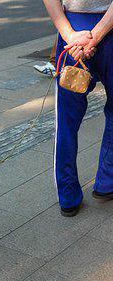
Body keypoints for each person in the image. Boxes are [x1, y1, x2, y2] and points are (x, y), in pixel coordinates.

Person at [43, 0, 113, 217]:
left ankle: (68, 195)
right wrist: (96, 35)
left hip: (73, 27)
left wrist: (70, 35)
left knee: (66, 120)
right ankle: (107, 181)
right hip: (108, 26)